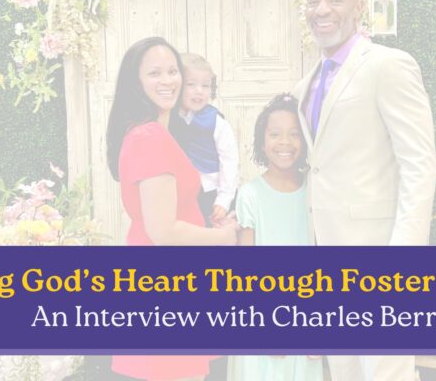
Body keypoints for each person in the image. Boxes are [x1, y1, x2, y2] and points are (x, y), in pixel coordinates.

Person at [293, 0, 436, 381]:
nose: (322, 10)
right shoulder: (306, 84)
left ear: (358, 5)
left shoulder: (388, 65)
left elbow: (418, 162)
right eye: (313, 0)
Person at [106, 36, 237, 381]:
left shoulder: (156, 132)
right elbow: (163, 231)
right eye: (154, 74)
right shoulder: (150, 138)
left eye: (172, 71)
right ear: (136, 82)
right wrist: (226, 237)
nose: (168, 81)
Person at [228, 94, 322, 381]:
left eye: (294, 134)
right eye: (275, 134)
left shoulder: (316, 190)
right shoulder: (250, 195)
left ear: (306, 140)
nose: (285, 143)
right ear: (262, 140)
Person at [169, 53, 239, 226]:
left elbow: (229, 162)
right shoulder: (168, 118)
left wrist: (224, 199)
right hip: (179, 196)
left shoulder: (216, 122)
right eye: (191, 84)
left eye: (205, 85)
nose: (199, 91)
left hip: (211, 195)